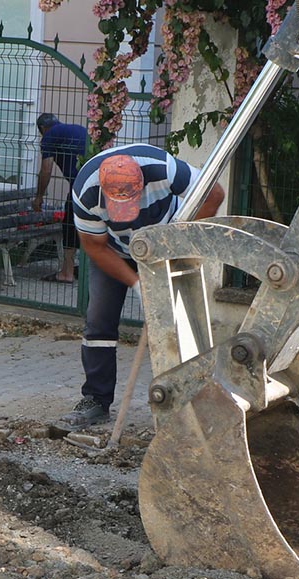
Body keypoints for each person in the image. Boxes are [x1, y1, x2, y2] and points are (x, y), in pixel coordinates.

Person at [58, 144, 226, 429]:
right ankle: (96, 401)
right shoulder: (85, 192)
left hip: (165, 246)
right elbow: (95, 248)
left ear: (143, 184)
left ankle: (190, 403)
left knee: (181, 323)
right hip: (114, 250)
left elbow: (215, 194)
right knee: (99, 321)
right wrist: (137, 284)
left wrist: (179, 239)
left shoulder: (163, 168)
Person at [31, 113, 87, 283]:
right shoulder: (77, 129)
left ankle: (66, 273)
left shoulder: (49, 136)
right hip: (96, 180)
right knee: (88, 225)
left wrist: (39, 197)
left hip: (80, 185)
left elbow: (46, 170)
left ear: (42, 129)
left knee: (69, 224)